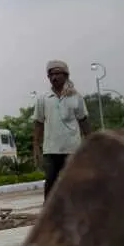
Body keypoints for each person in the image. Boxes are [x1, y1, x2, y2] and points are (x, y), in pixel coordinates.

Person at [32, 60, 91, 199]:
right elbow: (38, 123)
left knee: (75, 182)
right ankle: (48, 213)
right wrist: (35, 146)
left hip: (72, 148)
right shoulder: (43, 99)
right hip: (52, 149)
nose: (54, 77)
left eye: (58, 73)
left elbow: (83, 120)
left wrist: (90, 142)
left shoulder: (76, 97)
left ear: (66, 75)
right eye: (51, 74)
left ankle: (79, 212)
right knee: (51, 182)